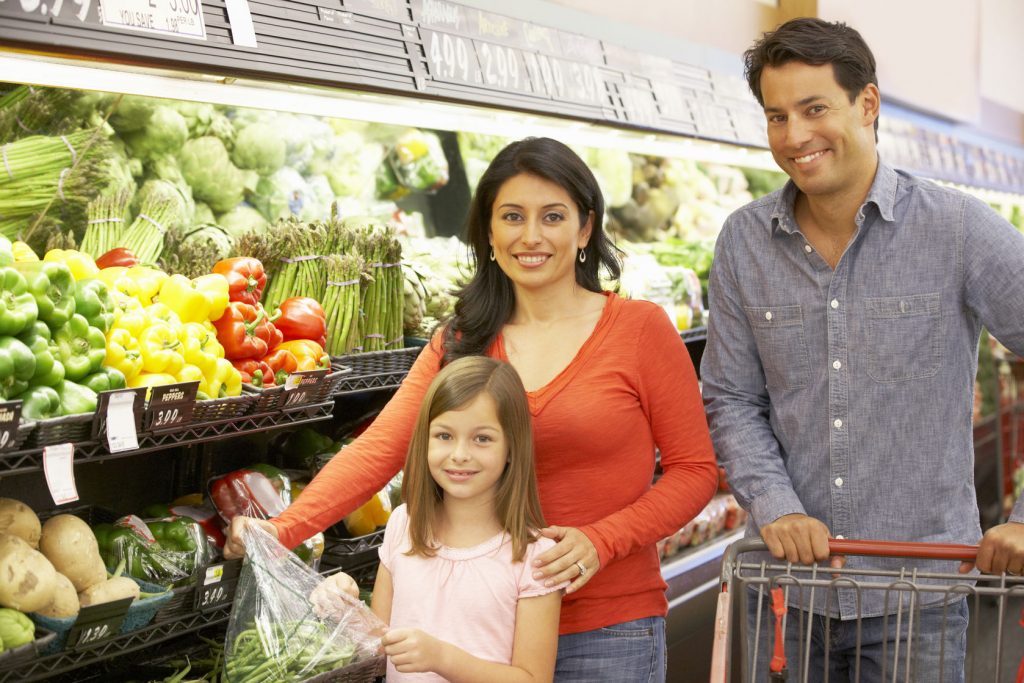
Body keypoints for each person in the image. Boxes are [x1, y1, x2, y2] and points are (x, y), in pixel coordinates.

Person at [226, 136, 719, 681]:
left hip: (605, 630)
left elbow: (695, 471)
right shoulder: (462, 339)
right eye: (512, 216)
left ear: (584, 229)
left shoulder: (640, 330)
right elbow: (381, 448)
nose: (531, 236)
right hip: (470, 639)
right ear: (488, 232)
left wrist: (601, 541)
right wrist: (283, 529)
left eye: (552, 216)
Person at [700, 16, 1024, 683]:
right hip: (785, 593)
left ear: (867, 104)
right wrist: (776, 502)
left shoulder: (957, 230)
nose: (794, 136)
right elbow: (731, 398)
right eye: (776, 115)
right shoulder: (742, 242)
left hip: (918, 597)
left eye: (814, 108)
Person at [319, 355, 565, 681]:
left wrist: (442, 658)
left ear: (512, 448)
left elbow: (533, 678)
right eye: (444, 436)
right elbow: (380, 642)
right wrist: (343, 605)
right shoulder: (404, 524)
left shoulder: (536, 557)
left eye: (482, 438)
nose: (459, 454)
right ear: (425, 440)